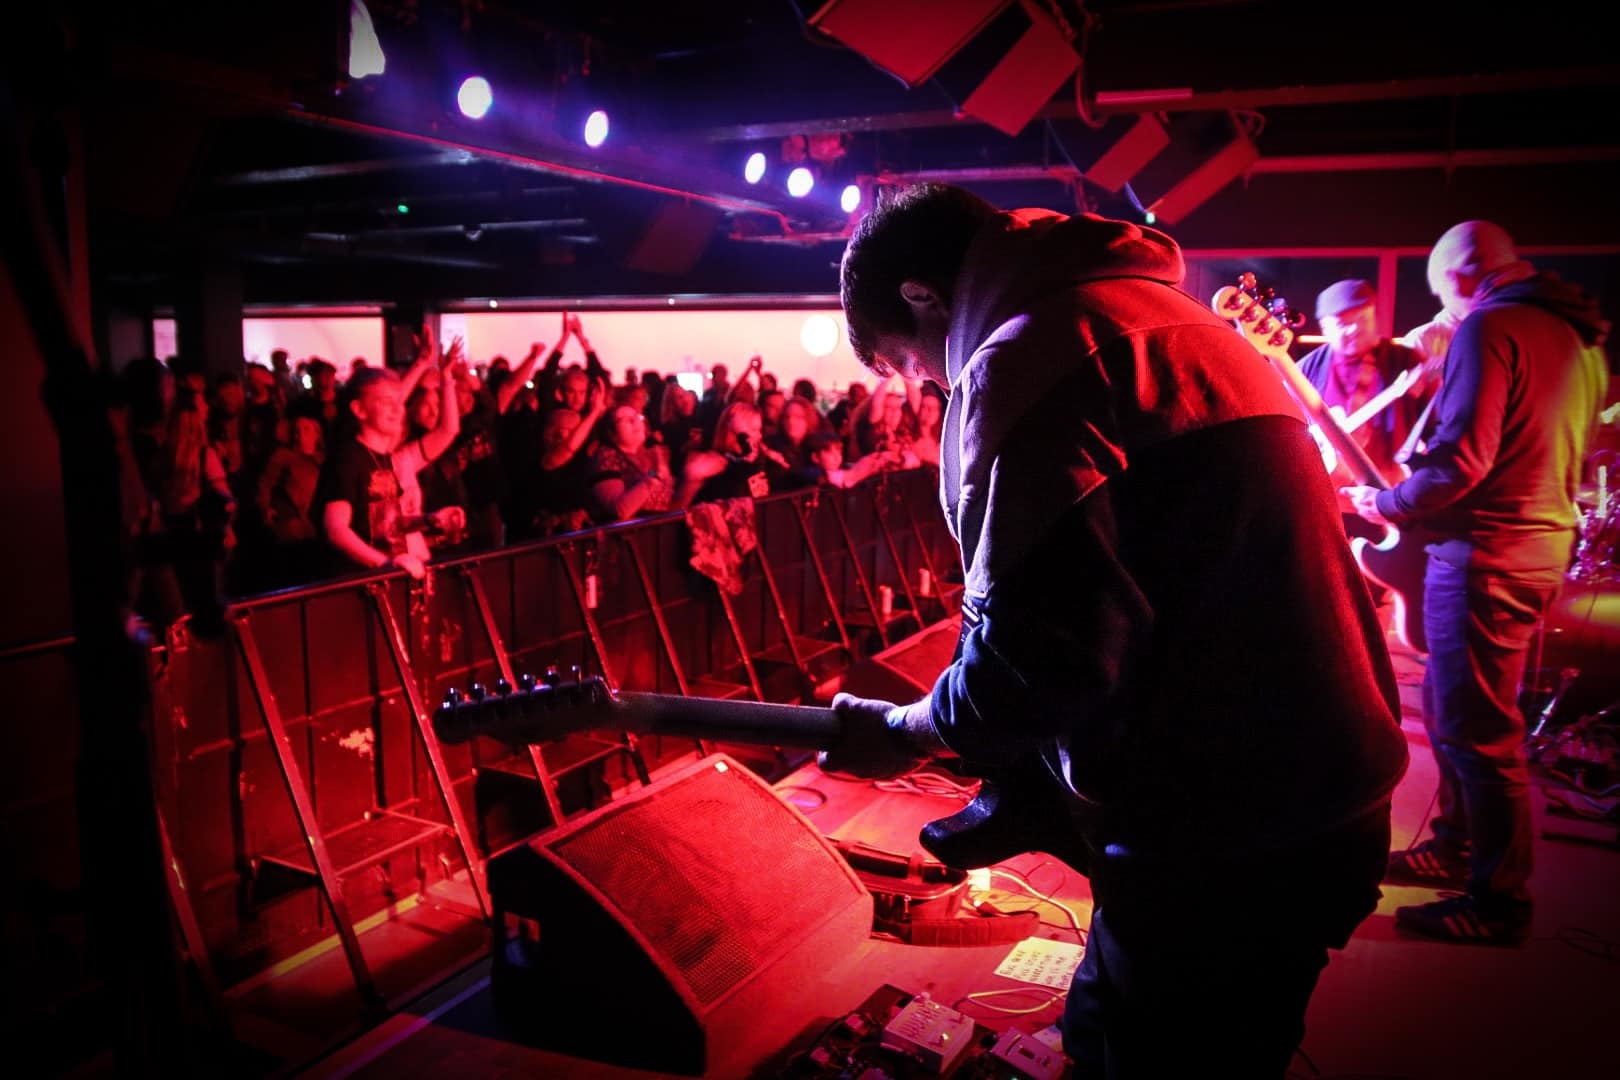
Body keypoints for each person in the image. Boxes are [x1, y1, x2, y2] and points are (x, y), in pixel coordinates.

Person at [825, 182, 1409, 1076]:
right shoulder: (1174, 321)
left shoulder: (1028, 355)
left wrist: (907, 731)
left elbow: (1044, 658)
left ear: (922, 297)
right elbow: (1151, 592)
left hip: (1223, 831)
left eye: (916, 364)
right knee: (1131, 1029)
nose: (935, 387)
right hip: (1327, 792)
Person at [1343, 220, 1609, 945]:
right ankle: (1456, 846)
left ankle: (1499, 903)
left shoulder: (1489, 328)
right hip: (1533, 546)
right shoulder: (1576, 337)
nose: (1442, 316)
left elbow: (1462, 462)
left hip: (1485, 555)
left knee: (1479, 731)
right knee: (1460, 711)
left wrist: (1384, 502)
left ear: (1462, 278)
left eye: (1441, 298)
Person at [1298, 278, 1431, 492]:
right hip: (1324, 490)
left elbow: (1434, 425)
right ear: (1324, 327)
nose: (1354, 330)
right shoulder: (1305, 369)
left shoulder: (1405, 362)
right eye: (1343, 323)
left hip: (1385, 490)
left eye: (1362, 319)